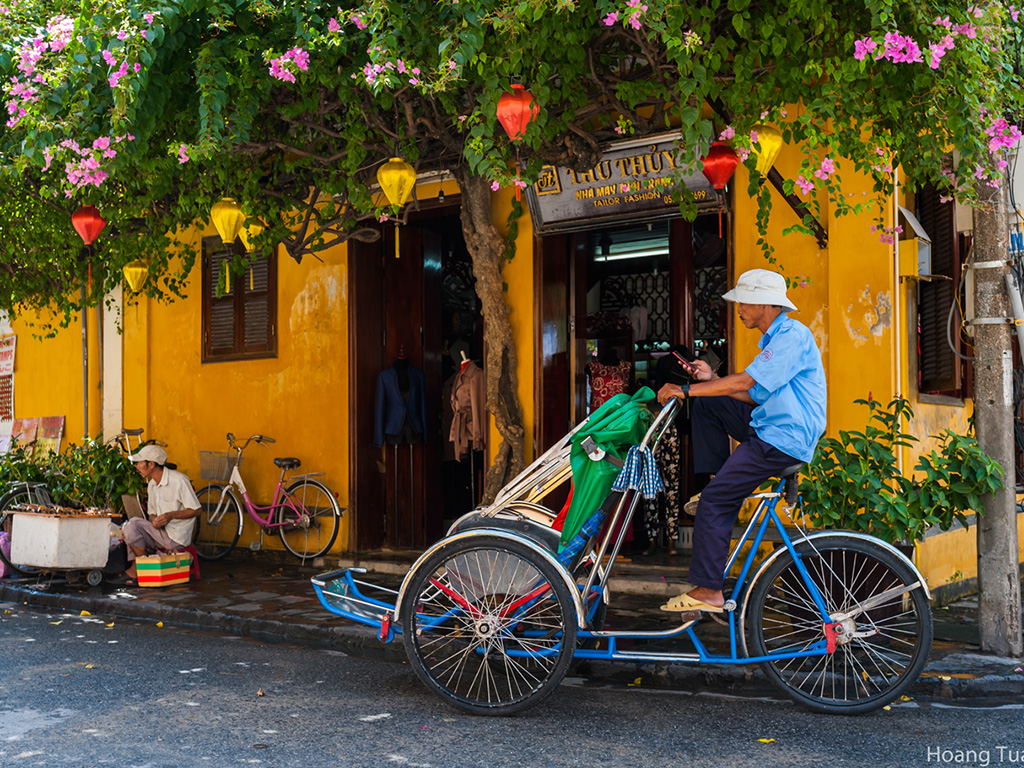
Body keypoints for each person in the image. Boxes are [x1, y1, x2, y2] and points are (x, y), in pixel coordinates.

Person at [656, 269, 826, 613]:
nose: (738, 309)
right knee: (709, 403)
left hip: (783, 437)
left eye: (743, 302)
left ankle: (709, 591)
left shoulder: (792, 335)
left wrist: (685, 389)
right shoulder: (774, 339)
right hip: (770, 425)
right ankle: (719, 480)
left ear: (764, 303)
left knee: (715, 504)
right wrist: (710, 380)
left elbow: (744, 383)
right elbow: (753, 395)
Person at [119, 445, 201, 582]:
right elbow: (151, 513)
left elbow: (197, 509)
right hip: (159, 535)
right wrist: (154, 520)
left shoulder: (179, 480)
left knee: (132, 524)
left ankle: (137, 570)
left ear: (151, 464)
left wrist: (171, 516)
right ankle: (141, 568)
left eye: (140, 463)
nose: (137, 467)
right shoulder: (152, 485)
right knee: (130, 527)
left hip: (176, 538)